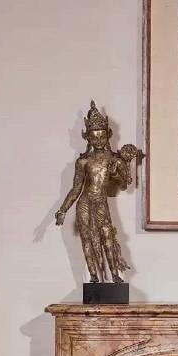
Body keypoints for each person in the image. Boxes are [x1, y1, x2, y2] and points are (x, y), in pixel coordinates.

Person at [55, 101, 134, 283]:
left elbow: (124, 185)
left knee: (107, 236)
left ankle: (115, 275)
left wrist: (118, 172)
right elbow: (76, 188)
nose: (98, 141)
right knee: (87, 239)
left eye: (102, 136)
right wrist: (63, 210)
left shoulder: (113, 160)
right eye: (94, 137)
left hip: (100, 202)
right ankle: (93, 277)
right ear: (88, 138)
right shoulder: (83, 162)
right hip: (84, 202)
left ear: (108, 135)